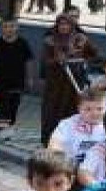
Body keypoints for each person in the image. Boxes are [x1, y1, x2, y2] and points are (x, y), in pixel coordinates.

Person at [40, 14, 97, 145]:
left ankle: (73, 139)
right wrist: (56, 60)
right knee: (52, 111)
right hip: (56, 83)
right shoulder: (50, 40)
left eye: (67, 24)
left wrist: (83, 52)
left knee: (73, 110)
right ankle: (50, 140)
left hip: (75, 82)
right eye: (61, 24)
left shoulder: (80, 38)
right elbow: (45, 61)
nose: (64, 27)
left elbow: (93, 54)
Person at [0, 19, 33, 128]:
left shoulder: (23, 43)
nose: (9, 29)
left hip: (17, 81)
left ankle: (9, 127)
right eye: (6, 26)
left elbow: (29, 61)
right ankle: (1, 129)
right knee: (2, 106)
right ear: (1, 29)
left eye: (12, 26)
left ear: (17, 28)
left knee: (14, 106)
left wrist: (30, 78)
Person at [48, 88, 106, 168]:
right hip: (71, 167)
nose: (94, 113)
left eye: (100, 109)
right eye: (88, 109)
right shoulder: (67, 124)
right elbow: (54, 144)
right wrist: (61, 160)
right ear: (79, 109)